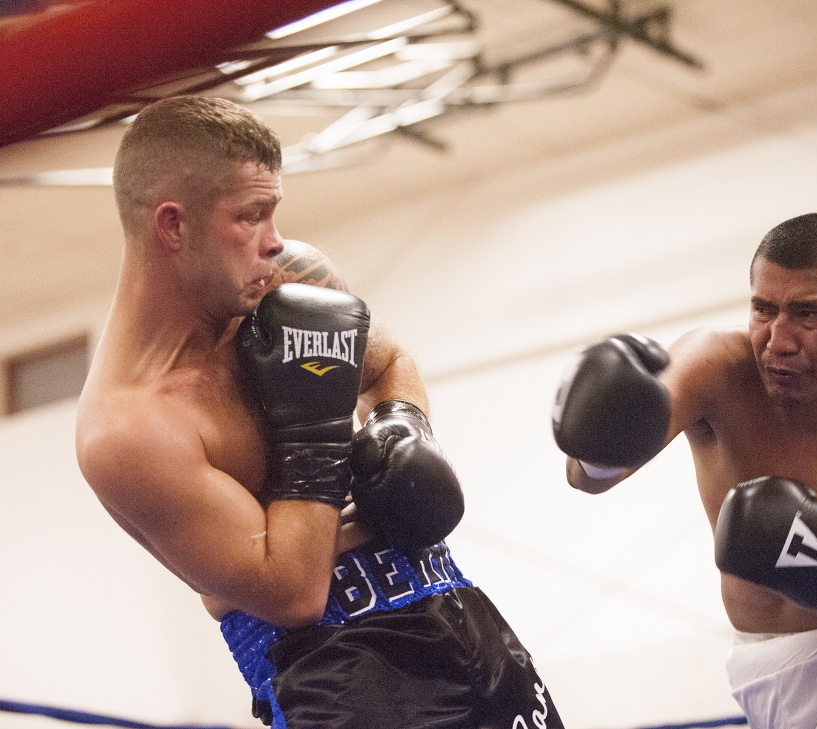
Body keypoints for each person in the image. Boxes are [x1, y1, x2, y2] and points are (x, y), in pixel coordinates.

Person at [76, 95, 562, 729]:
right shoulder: (128, 430)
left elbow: (390, 364)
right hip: (339, 674)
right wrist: (318, 425)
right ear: (173, 225)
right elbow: (295, 589)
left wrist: (400, 432)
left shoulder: (286, 283)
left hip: (459, 614)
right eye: (250, 216)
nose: (275, 242)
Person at [552, 212, 817, 729]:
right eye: (764, 310)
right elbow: (590, 478)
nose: (778, 340)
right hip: (760, 672)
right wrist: (596, 433)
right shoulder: (715, 366)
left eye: (808, 315)